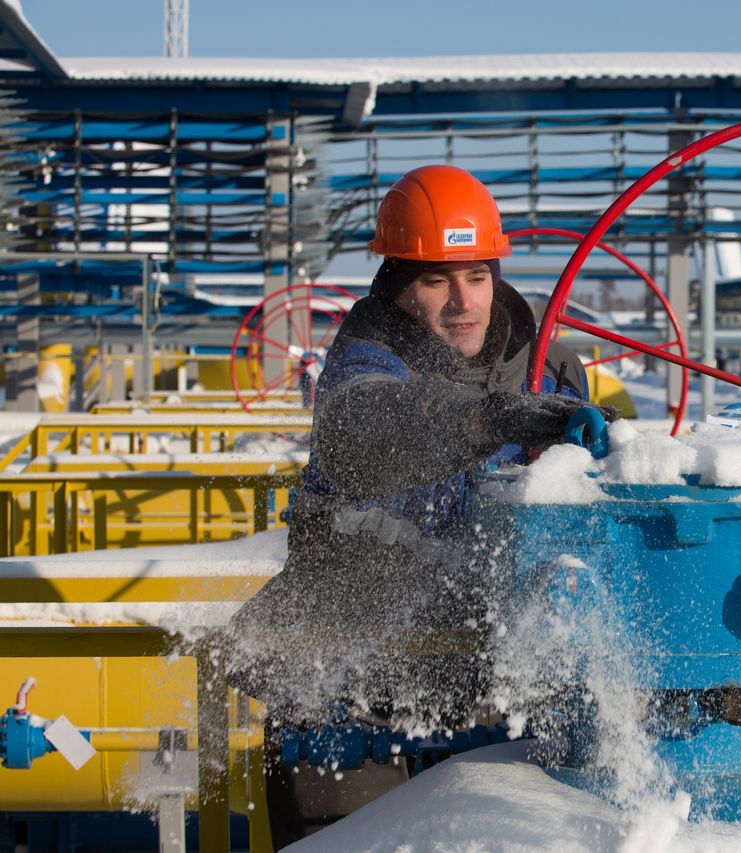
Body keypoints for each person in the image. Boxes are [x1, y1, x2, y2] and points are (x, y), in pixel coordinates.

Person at [228, 167, 611, 835]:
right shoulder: (367, 359)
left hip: (499, 689)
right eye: (436, 280)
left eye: (476, 276)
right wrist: (497, 418)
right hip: (345, 694)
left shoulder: (550, 364)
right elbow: (368, 431)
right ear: (400, 288)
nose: (463, 300)